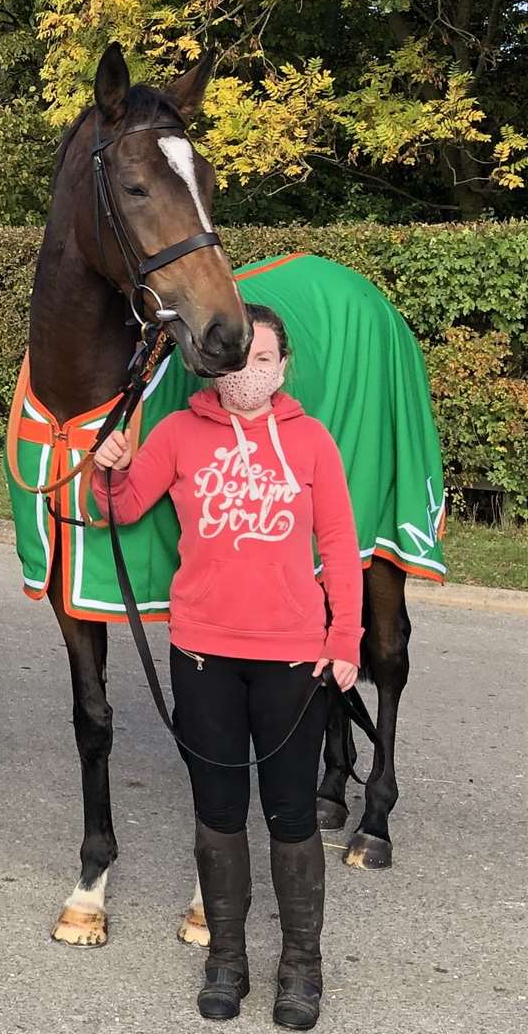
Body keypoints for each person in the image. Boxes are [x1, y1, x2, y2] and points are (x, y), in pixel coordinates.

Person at [92, 306, 360, 1030]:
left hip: (292, 660)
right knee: (216, 813)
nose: (250, 373)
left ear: (283, 366)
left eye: (264, 359)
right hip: (204, 654)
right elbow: (121, 507)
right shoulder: (178, 432)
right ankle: (227, 958)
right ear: (214, 362)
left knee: (291, 814)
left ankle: (301, 967)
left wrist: (344, 639)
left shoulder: (309, 442)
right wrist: (108, 468)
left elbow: (338, 544)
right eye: (239, 359)